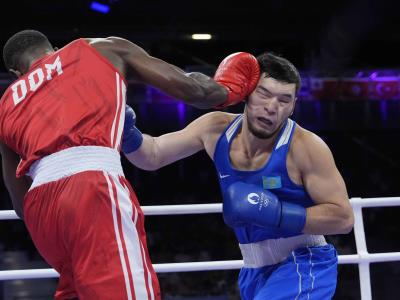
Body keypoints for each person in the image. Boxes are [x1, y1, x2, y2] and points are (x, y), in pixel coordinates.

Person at [0, 29, 260, 299]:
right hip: (90, 189)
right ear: (53, 48)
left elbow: (19, 204)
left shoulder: (6, 103)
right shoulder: (97, 48)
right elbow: (195, 91)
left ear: (16, 73)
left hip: (42, 215)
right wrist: (227, 91)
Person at [123, 52, 355, 299]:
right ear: (247, 92)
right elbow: (152, 155)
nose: (271, 107)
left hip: (304, 264)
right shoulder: (214, 129)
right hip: (253, 268)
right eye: (264, 94)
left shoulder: (306, 147)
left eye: (284, 100)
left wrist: (278, 213)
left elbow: (343, 218)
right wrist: (126, 131)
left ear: (293, 106)